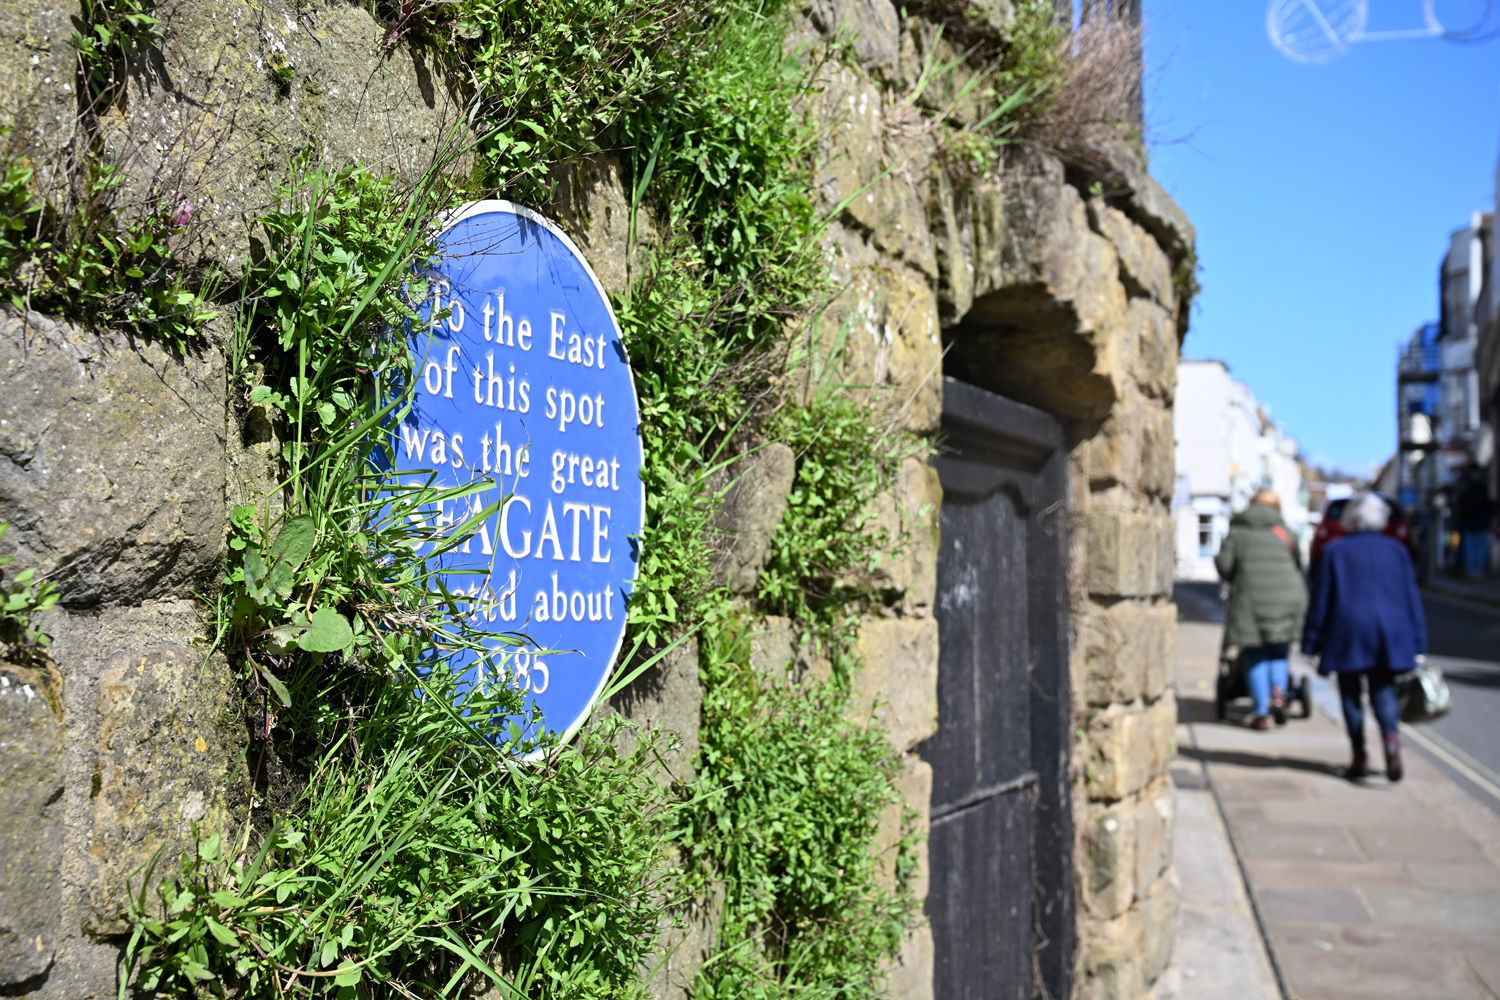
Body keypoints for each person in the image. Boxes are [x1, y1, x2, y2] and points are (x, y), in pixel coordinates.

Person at [1302, 492, 1427, 782]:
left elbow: (1321, 601)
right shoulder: (1397, 550)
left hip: (1347, 630)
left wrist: (1310, 643)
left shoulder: (1334, 550)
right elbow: (1411, 599)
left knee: (1350, 694)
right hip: (1389, 631)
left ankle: (1360, 756)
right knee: (1383, 691)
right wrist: (1419, 641)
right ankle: (1391, 743)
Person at [1215, 488, 1307, 730]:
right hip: (1288, 597)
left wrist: (1238, 575)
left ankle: (1261, 713)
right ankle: (1279, 692)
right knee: (1279, 650)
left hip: (1251, 599)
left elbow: (1224, 566)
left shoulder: (1238, 531)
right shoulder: (1285, 531)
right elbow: (1299, 564)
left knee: (1255, 653)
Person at [1452, 467, 1493, 578]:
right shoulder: (1479, 490)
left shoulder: (1466, 489)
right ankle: (1474, 570)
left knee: (1471, 547)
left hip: (1470, 524)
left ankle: (1471, 570)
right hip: (1476, 524)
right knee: (1476, 547)